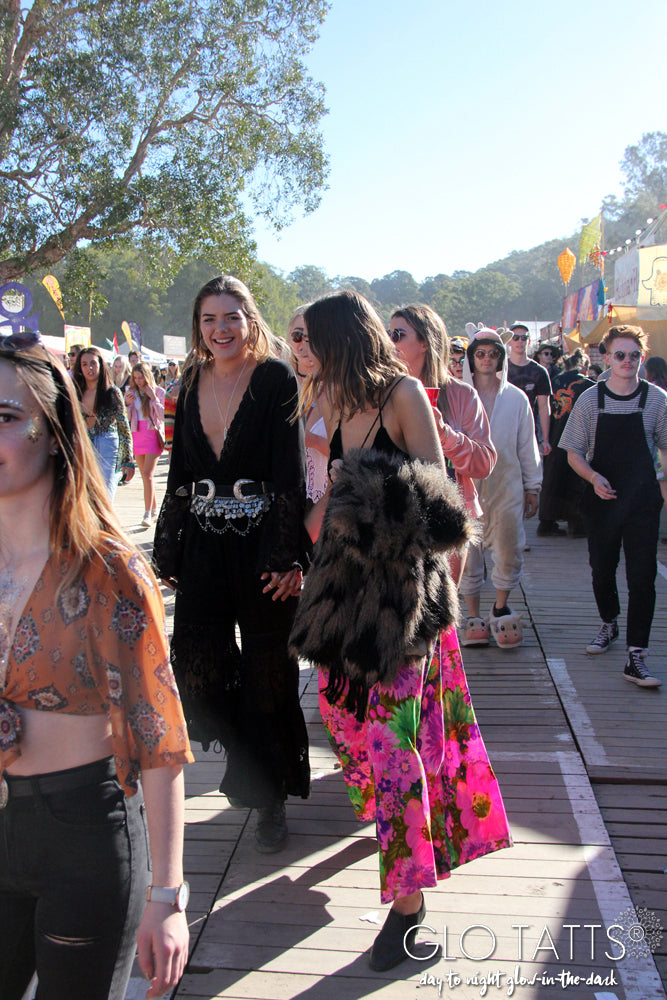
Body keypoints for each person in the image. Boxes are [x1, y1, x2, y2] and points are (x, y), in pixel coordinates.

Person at [290, 291, 511, 972]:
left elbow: (441, 510)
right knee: (338, 716)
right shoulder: (330, 397)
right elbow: (333, 494)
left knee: (392, 748)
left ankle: (408, 908)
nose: (300, 349)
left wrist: (432, 606)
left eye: (309, 339)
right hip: (341, 594)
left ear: (339, 339)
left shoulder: (402, 394)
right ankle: (396, 816)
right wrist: (317, 519)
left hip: (403, 601)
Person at [0, 331, 193, 1000]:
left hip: (83, 832)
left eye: (4, 417)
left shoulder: (109, 568)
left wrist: (167, 898)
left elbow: (160, 736)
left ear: (53, 434)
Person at [152, 275, 310, 854]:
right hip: (202, 544)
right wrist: (167, 543)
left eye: (231, 317)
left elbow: (289, 474)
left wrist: (285, 554)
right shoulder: (190, 379)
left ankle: (269, 796)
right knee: (196, 667)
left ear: (250, 321)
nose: (220, 329)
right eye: (209, 319)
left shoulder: (274, 378)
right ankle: (247, 758)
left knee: (269, 671)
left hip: (263, 544)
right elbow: (180, 469)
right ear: (199, 326)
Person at [560, 325, 667, 688]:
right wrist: (593, 478)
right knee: (602, 570)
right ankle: (609, 622)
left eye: (634, 356)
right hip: (601, 502)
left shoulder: (657, 399)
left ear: (642, 359)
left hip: (642, 503)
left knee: (643, 578)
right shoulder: (591, 399)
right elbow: (573, 452)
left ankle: (637, 655)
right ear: (606, 358)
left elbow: (665, 450)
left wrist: (664, 490)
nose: (627, 362)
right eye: (619, 355)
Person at [388, 304, 496, 586]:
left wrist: (445, 435)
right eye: (387, 334)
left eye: (398, 334)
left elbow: (484, 463)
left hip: (447, 516)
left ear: (424, 342)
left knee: (440, 611)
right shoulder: (383, 393)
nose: (390, 341)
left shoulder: (461, 395)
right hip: (396, 516)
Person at [459, 328, 542, 648]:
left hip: (507, 482)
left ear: (501, 358)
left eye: (493, 354)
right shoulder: (458, 396)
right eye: (480, 354)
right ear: (471, 358)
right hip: (466, 484)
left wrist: (532, 486)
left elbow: (527, 445)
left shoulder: (517, 398)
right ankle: (473, 615)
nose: (486, 359)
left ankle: (501, 607)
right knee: (467, 549)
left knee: (509, 546)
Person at [537, 349, 594, 538]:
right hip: (579, 437)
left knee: (552, 479)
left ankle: (546, 521)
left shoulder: (555, 381)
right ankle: (577, 524)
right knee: (577, 480)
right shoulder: (588, 384)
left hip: (555, 435)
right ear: (584, 364)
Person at [72, 346, 135, 501]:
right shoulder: (75, 391)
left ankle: (105, 525)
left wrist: (128, 458)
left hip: (108, 444)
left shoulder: (112, 391)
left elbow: (123, 427)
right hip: (83, 446)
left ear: (100, 364)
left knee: (105, 497)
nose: (89, 368)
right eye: (84, 364)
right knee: (85, 498)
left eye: (93, 363)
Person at [288, 307, 328, 504]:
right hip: (287, 501)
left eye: (313, 336)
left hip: (325, 503)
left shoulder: (338, 389)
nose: (304, 343)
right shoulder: (278, 385)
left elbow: (352, 454)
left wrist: (311, 440)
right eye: (297, 336)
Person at [126, 362, 165, 527]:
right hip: (137, 435)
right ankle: (155, 509)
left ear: (147, 376)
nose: (138, 381)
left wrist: (154, 398)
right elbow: (127, 418)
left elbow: (163, 416)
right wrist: (127, 404)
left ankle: (147, 514)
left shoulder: (158, 392)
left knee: (148, 474)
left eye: (141, 377)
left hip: (152, 435)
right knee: (145, 476)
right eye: (135, 378)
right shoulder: (131, 392)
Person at [506, 322, 552, 454]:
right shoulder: (501, 369)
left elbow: (544, 408)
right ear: (509, 341)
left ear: (529, 341)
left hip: (530, 432)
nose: (519, 341)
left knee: (530, 473)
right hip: (505, 431)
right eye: (515, 338)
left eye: (524, 338)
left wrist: (545, 439)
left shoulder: (539, 371)